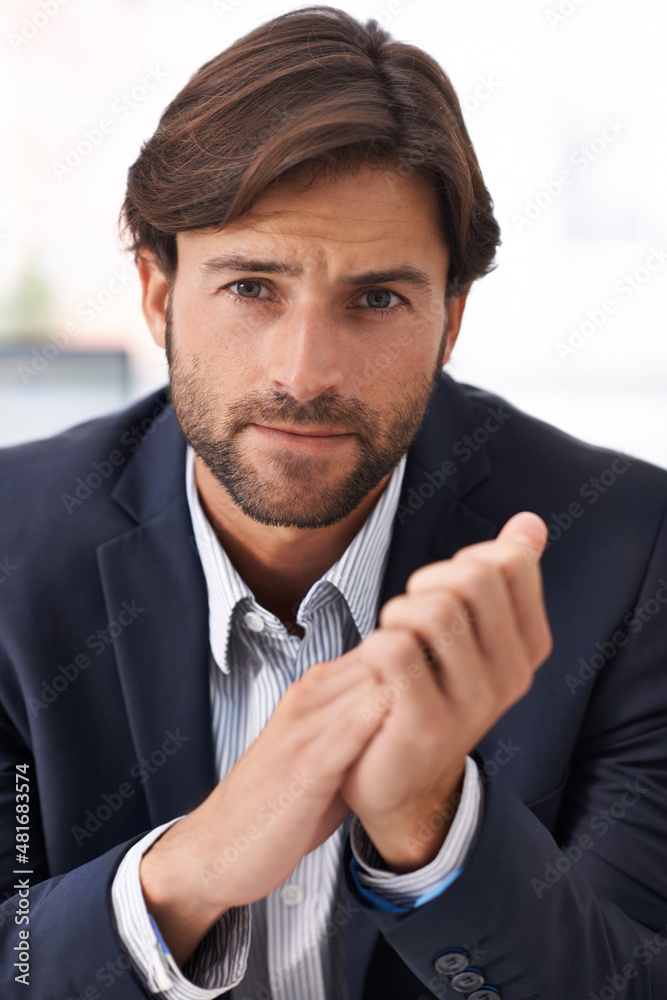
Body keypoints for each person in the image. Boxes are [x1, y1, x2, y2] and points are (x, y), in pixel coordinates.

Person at [1, 6, 667, 998]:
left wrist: (428, 828)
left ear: (450, 320)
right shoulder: (10, 548)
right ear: (156, 293)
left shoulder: (626, 553)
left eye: (377, 299)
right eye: (252, 287)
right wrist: (192, 869)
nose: (304, 372)